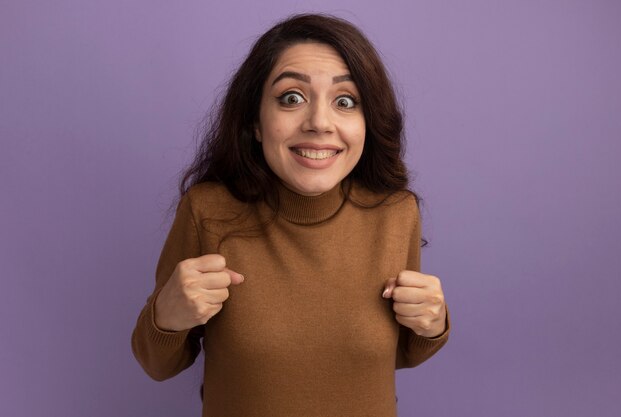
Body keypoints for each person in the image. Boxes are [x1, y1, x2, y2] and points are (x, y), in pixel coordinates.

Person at [131, 13, 449, 417]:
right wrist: (167, 316)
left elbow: (387, 356)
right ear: (256, 123)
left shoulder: (396, 213)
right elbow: (158, 364)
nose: (319, 122)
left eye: (346, 101)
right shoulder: (207, 211)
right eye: (291, 98)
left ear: (367, 123)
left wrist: (431, 325)